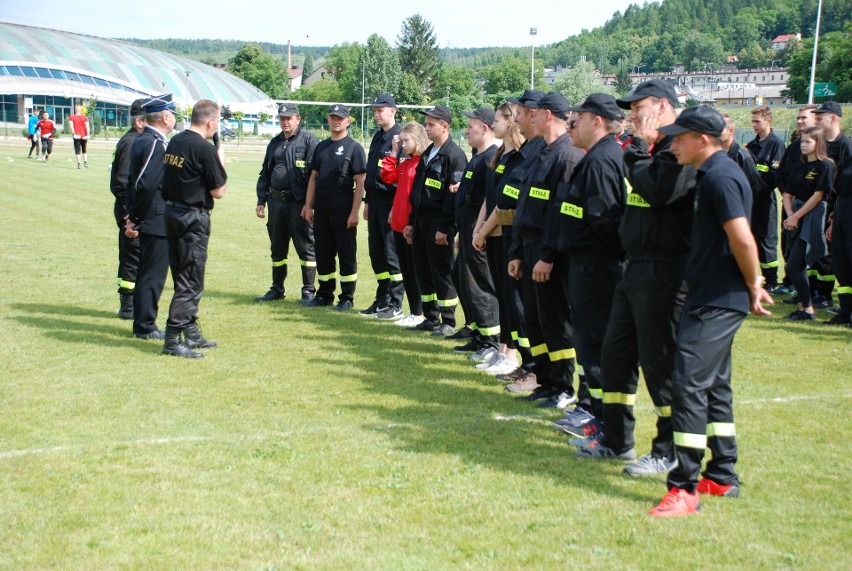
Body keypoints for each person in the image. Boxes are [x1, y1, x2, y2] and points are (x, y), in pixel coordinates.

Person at [649, 105, 773, 518]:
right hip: (708, 295)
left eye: (679, 138)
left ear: (703, 139)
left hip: (718, 300)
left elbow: (742, 238)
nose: (673, 144)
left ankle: (683, 486)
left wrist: (755, 284)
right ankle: (721, 474)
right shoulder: (711, 173)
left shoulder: (720, 176)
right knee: (716, 387)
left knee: (687, 384)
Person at [583, 80, 696, 476]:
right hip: (635, 268)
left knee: (660, 364)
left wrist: (638, 152)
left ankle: (669, 449)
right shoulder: (648, 150)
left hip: (666, 271)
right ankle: (617, 440)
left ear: (663, 107)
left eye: (637, 107)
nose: (630, 116)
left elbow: (659, 192)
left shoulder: (680, 150)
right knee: (615, 356)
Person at [541, 94, 627, 453]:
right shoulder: (596, 158)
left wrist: (596, 257)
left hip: (598, 268)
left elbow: (607, 222)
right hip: (587, 265)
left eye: (578, 118)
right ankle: (595, 413)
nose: (572, 124)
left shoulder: (604, 161)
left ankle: (599, 417)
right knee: (589, 345)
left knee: (596, 344)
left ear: (597, 122)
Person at [508, 91, 584, 409]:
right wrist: (515, 250)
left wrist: (547, 256)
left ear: (548, 115)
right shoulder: (540, 152)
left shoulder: (566, 156)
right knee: (537, 319)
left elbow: (559, 213)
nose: (526, 118)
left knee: (555, 320)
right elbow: (523, 206)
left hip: (546, 250)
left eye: (533, 112)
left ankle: (563, 385)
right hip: (528, 247)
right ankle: (545, 379)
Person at [161, 99, 228, 358]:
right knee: (191, 279)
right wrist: (219, 159)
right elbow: (219, 191)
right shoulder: (204, 149)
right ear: (210, 120)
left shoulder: (176, 141)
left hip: (172, 213)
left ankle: (190, 332)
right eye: (218, 121)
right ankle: (172, 337)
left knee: (182, 273)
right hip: (192, 218)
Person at [472, 102, 532, 377]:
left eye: (497, 119)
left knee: (511, 296)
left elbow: (506, 204)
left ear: (511, 123)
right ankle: (503, 350)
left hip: (506, 233)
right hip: (491, 232)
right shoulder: (499, 155)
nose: (493, 124)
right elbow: (490, 197)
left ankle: (513, 353)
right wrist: (478, 227)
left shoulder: (519, 157)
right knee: (501, 294)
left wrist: (483, 230)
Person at [403, 106, 468, 336]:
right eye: (426, 124)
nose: (427, 128)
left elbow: (453, 197)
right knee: (423, 269)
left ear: (445, 126)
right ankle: (431, 317)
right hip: (421, 220)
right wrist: (411, 221)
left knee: (442, 271)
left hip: (439, 221)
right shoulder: (429, 152)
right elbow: (418, 190)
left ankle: (448, 321)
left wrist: (445, 228)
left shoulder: (454, 156)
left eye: (431, 125)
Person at [301, 104, 366, 311]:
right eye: (332, 117)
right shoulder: (321, 146)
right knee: (323, 253)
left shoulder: (354, 148)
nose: (336, 121)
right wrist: (308, 206)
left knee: (346, 254)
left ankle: (347, 297)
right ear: (328, 120)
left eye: (340, 118)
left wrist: (354, 212)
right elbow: (313, 178)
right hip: (322, 210)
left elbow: (360, 183)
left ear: (348, 121)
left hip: (344, 211)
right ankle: (324, 294)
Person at [254, 103, 318, 305]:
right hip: (276, 203)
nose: (285, 122)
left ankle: (308, 291)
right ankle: (277, 288)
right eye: (282, 118)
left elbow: (315, 176)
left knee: (306, 248)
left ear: (298, 119)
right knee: (277, 248)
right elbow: (265, 171)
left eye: (289, 118)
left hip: (298, 204)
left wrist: (309, 204)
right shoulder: (274, 143)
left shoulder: (309, 141)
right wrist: (261, 200)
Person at [125, 94, 177, 340]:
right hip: (156, 216)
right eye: (173, 113)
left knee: (149, 272)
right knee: (153, 274)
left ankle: (144, 323)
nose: (174, 118)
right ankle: (145, 325)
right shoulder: (154, 142)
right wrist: (136, 216)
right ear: (165, 116)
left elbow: (134, 183)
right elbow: (144, 183)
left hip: (151, 215)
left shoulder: (146, 139)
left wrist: (133, 214)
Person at [453, 108, 500, 362]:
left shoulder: (491, 158)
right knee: (466, 283)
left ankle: (490, 341)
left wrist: (479, 231)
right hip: (468, 231)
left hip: (479, 233)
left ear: (485, 128)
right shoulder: (477, 156)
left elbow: (489, 202)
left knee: (481, 286)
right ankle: (480, 334)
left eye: (471, 126)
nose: (467, 130)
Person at [781, 126, 833, 321]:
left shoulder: (825, 166)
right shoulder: (800, 166)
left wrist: (796, 216)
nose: (803, 145)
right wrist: (790, 214)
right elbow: (787, 193)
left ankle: (808, 309)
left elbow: (818, 196)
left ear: (818, 143)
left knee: (794, 266)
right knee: (796, 265)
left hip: (811, 216)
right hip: (796, 214)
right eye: (802, 141)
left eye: (808, 142)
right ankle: (805, 308)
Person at [380, 121, 429, 328]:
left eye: (406, 140)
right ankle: (413, 311)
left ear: (417, 140)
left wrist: (411, 222)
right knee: (406, 270)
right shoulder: (407, 162)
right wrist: (393, 151)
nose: (403, 144)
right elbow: (387, 175)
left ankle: (419, 313)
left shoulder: (421, 163)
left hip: (411, 224)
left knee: (415, 270)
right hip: (398, 224)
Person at [361, 93, 405, 320]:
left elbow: (402, 177)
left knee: (391, 254)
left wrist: (394, 208)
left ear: (393, 111)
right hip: (375, 201)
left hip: (390, 203)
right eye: (375, 110)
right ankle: (382, 299)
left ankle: (396, 304)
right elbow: (372, 171)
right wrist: (368, 201)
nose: (377, 114)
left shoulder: (400, 138)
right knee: (376, 253)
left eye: (381, 110)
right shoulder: (378, 137)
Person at [814, 101, 852, 325]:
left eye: (822, 116)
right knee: (841, 261)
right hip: (841, 211)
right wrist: (833, 218)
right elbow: (839, 187)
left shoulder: (845, 145)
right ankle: (846, 310)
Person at [109, 98, 147, 320]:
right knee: (133, 256)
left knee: (134, 255)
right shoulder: (132, 143)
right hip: (129, 209)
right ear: (140, 122)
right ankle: (128, 306)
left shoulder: (134, 140)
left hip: (132, 208)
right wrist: (127, 216)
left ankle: (132, 303)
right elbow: (123, 183)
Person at [745, 106, 785, 292]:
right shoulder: (751, 145)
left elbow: (775, 176)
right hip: (749, 200)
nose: (754, 125)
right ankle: (753, 276)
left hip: (765, 199)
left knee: (766, 239)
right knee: (750, 237)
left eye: (757, 121)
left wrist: (758, 190)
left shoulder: (776, 144)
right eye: (752, 121)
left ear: (768, 121)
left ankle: (771, 279)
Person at [68, 105, 91, 169]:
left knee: (78, 150)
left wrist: (73, 133)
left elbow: (71, 126)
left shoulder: (72, 117)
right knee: (84, 150)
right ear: (80, 110)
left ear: (75, 110)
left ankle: (79, 163)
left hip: (77, 136)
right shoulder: (84, 117)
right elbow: (87, 126)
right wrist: (88, 134)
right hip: (83, 136)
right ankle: (85, 163)